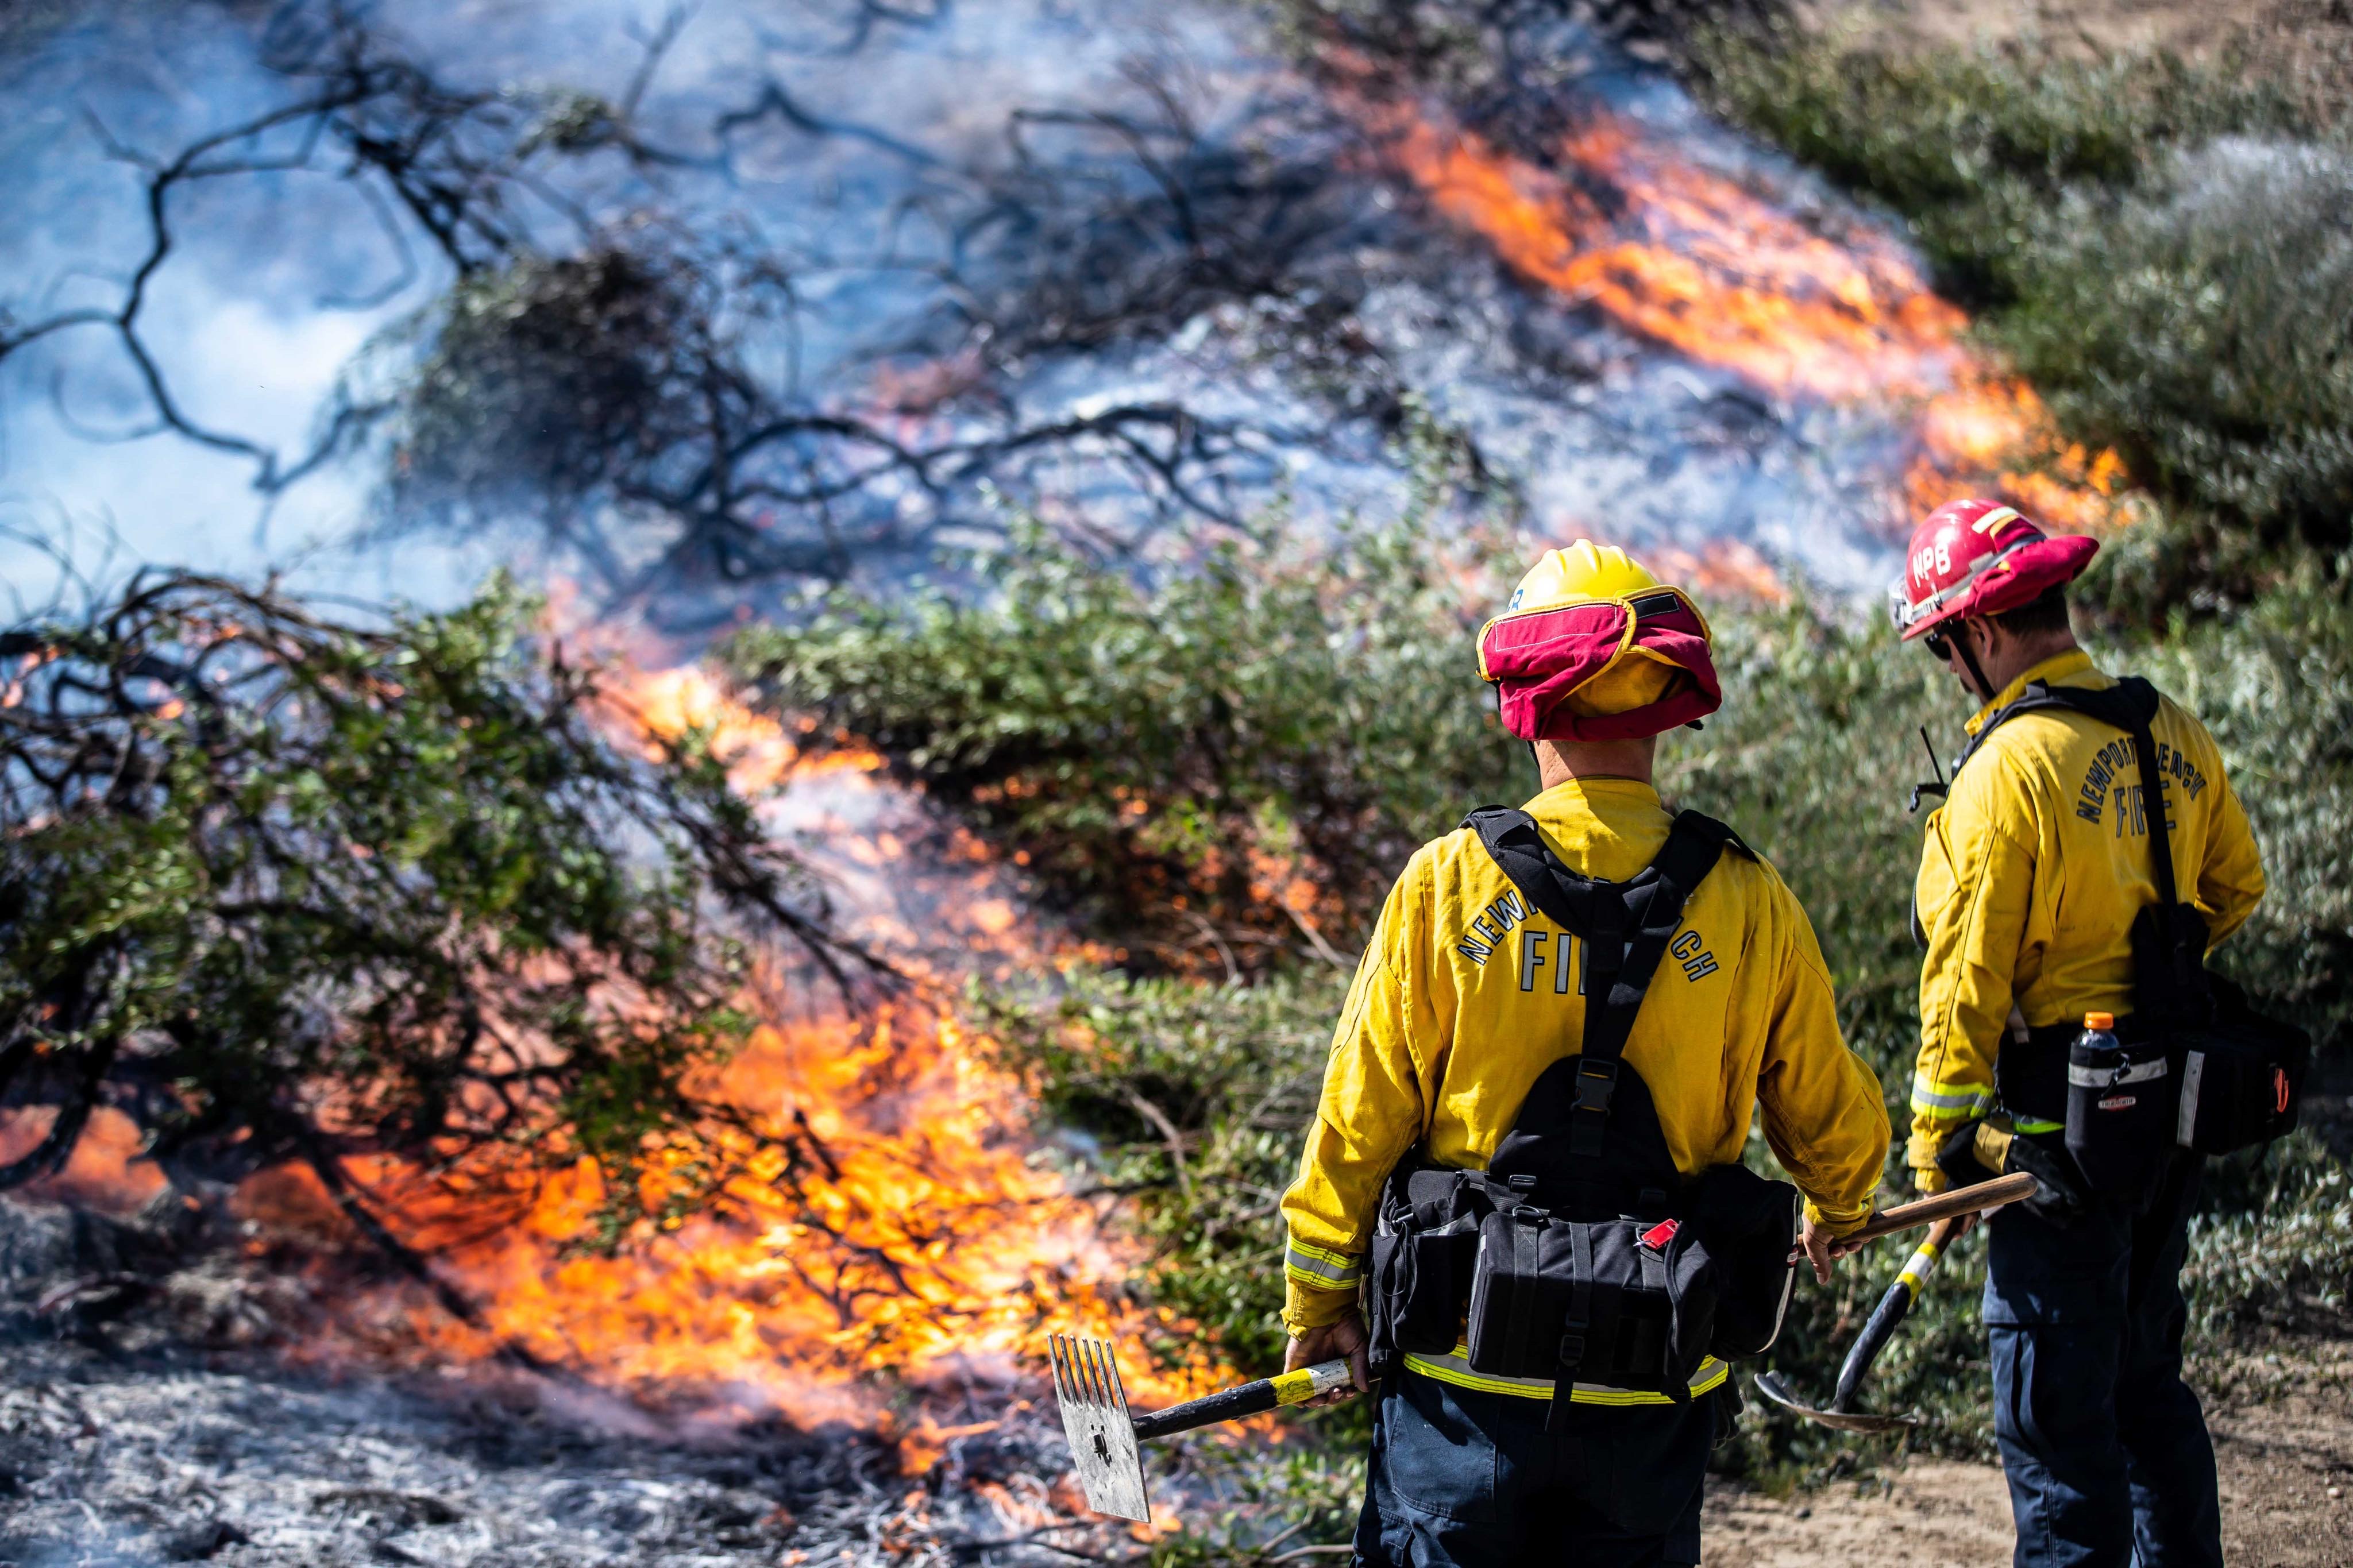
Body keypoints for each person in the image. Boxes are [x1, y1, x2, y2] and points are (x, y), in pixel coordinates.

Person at [1279, 540, 1890, 1568]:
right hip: (1649, 1396)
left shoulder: (1448, 885)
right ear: (1667, 705)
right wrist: (1845, 1209)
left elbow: (1357, 1121)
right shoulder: (1749, 901)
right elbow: (1836, 1129)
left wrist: (1320, 1301)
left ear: (1528, 698)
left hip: (1462, 1387)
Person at [1889, 498, 2266, 1568]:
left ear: (1983, 629)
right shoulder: (2172, 727)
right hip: (2166, 1124)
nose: (1949, 666)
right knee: (2148, 1386)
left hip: (2053, 1138)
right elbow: (2237, 885)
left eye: (1946, 644)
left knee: (2059, 1435)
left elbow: (1964, 979)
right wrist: (2146, 965)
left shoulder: (2007, 771)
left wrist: (1937, 1149)